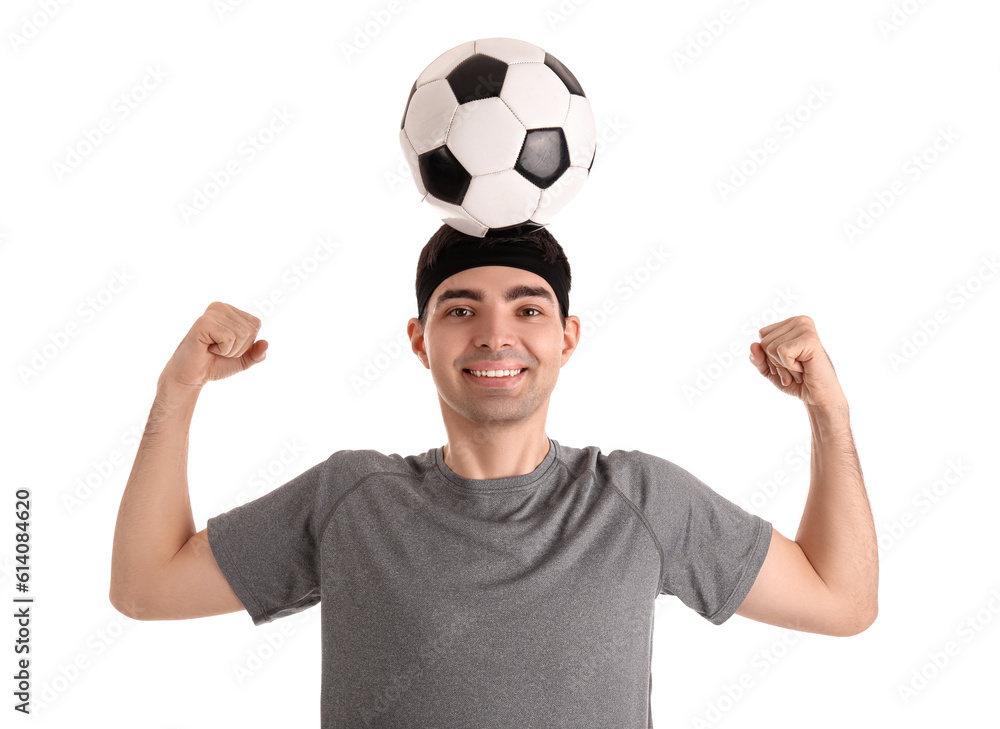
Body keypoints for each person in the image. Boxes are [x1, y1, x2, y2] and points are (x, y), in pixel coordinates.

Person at [109, 223, 878, 728]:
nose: (496, 333)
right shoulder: (352, 500)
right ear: (420, 339)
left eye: (529, 309)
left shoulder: (639, 500)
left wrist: (828, 412)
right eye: (461, 308)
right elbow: (144, 585)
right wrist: (176, 393)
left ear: (568, 336)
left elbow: (841, 601)